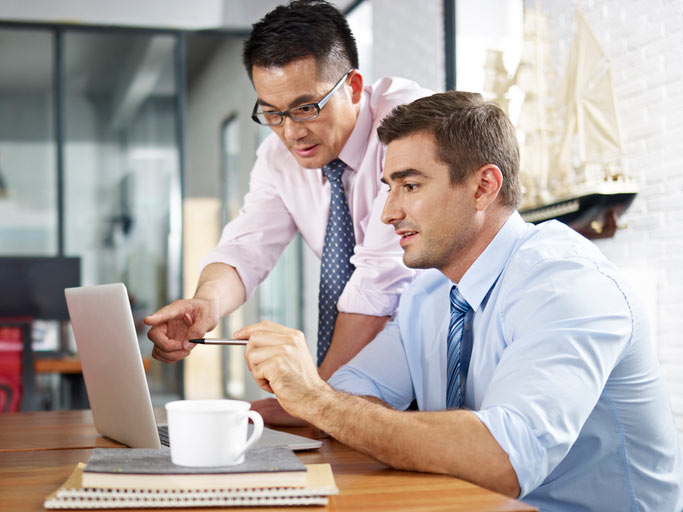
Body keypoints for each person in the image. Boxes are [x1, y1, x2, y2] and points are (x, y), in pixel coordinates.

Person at [237, 91, 683, 510]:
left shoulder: (566, 285)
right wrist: (338, 405)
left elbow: (502, 458)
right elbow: (353, 388)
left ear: (483, 187)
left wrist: (317, 401)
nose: (389, 213)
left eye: (409, 186)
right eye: (388, 188)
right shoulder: (429, 293)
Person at [144, 0, 431, 422]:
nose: (292, 132)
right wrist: (205, 303)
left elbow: (379, 284)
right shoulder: (277, 156)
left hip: (434, 352)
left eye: (305, 107)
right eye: (273, 113)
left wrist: (312, 400)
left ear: (353, 87)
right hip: (365, 377)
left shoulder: (407, 125)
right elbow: (246, 246)